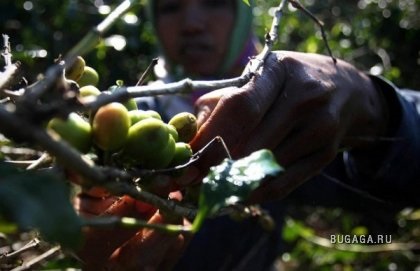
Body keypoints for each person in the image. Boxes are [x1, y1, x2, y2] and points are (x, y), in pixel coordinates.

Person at [75, 0, 420, 270]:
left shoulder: (285, 106)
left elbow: (397, 186)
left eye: (213, 2)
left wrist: (375, 105)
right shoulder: (130, 109)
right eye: (169, 6)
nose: (192, 24)